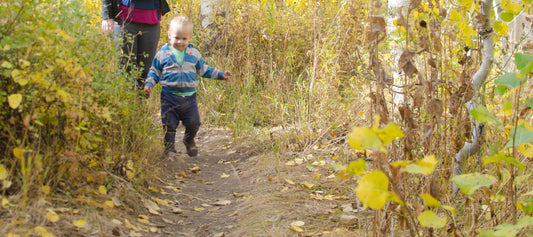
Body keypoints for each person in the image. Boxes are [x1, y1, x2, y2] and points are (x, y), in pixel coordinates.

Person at [144, 16, 232, 158]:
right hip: (169, 96)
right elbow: (155, 71)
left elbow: (204, 70)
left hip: (189, 98)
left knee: (194, 123)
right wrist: (149, 85)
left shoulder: (194, 54)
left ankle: (188, 139)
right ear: (169, 35)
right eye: (177, 38)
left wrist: (221, 75)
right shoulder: (162, 54)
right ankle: (169, 150)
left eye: (184, 39)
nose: (180, 42)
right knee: (169, 125)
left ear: (189, 37)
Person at [101, 0, 170, 91]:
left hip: (151, 21)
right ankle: (128, 101)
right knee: (126, 68)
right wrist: (107, 15)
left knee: (145, 70)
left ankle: (140, 102)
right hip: (126, 21)